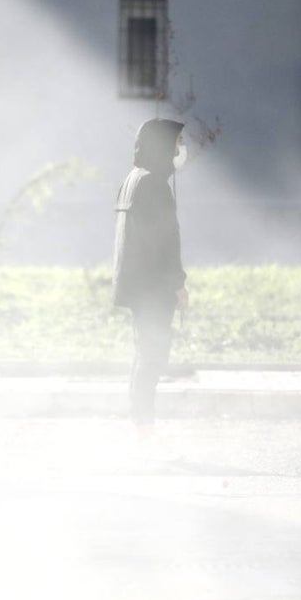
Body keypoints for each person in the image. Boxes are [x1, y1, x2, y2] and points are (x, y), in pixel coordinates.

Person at [112, 118, 189, 436]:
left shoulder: (133, 179)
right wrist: (179, 284)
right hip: (154, 287)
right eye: (175, 143)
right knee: (154, 355)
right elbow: (166, 240)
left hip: (138, 284)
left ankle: (139, 423)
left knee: (144, 352)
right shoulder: (154, 184)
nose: (179, 150)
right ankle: (143, 426)